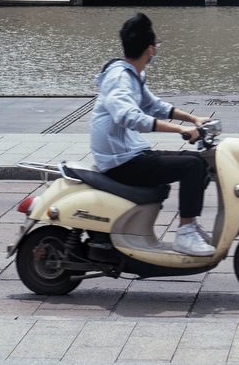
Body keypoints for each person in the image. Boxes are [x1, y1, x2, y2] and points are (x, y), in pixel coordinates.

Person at [90, 13, 213, 256]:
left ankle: (190, 224)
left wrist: (193, 119)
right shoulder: (119, 78)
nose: (157, 48)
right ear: (150, 49)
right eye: (156, 43)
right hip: (121, 161)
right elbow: (129, 117)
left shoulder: (133, 74)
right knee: (191, 167)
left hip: (130, 153)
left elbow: (154, 106)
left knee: (200, 162)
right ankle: (185, 233)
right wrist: (181, 130)